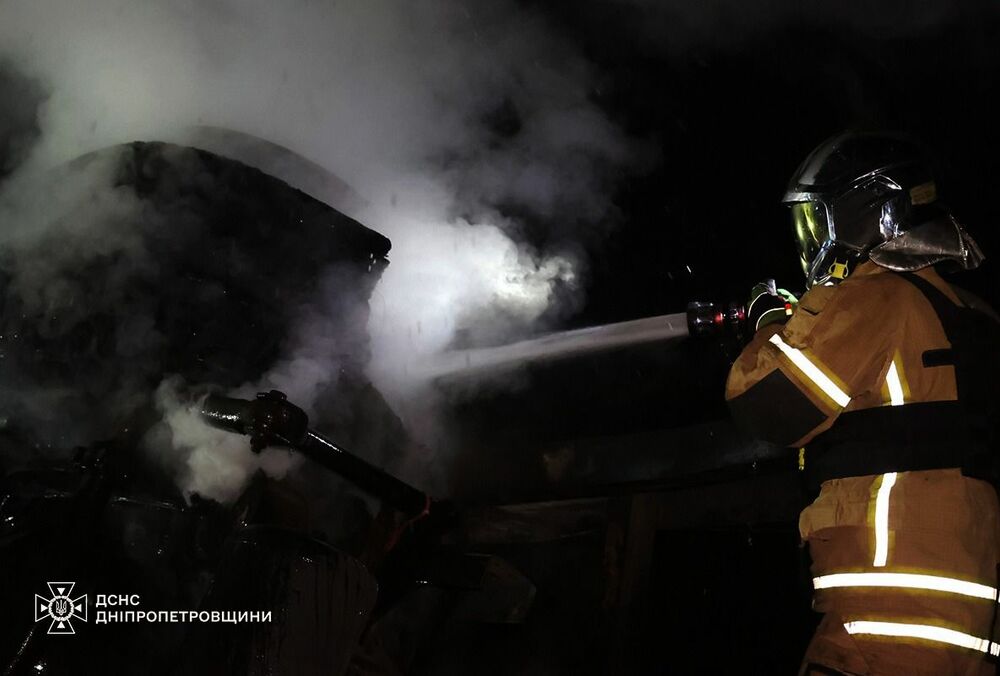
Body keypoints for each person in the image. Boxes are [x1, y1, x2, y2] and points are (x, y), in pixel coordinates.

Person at [725, 131, 1000, 675]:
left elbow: (768, 405)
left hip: (884, 619)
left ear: (864, 213)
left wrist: (772, 321)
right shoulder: (972, 315)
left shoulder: (877, 295)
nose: (810, 240)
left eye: (817, 220)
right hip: (960, 622)